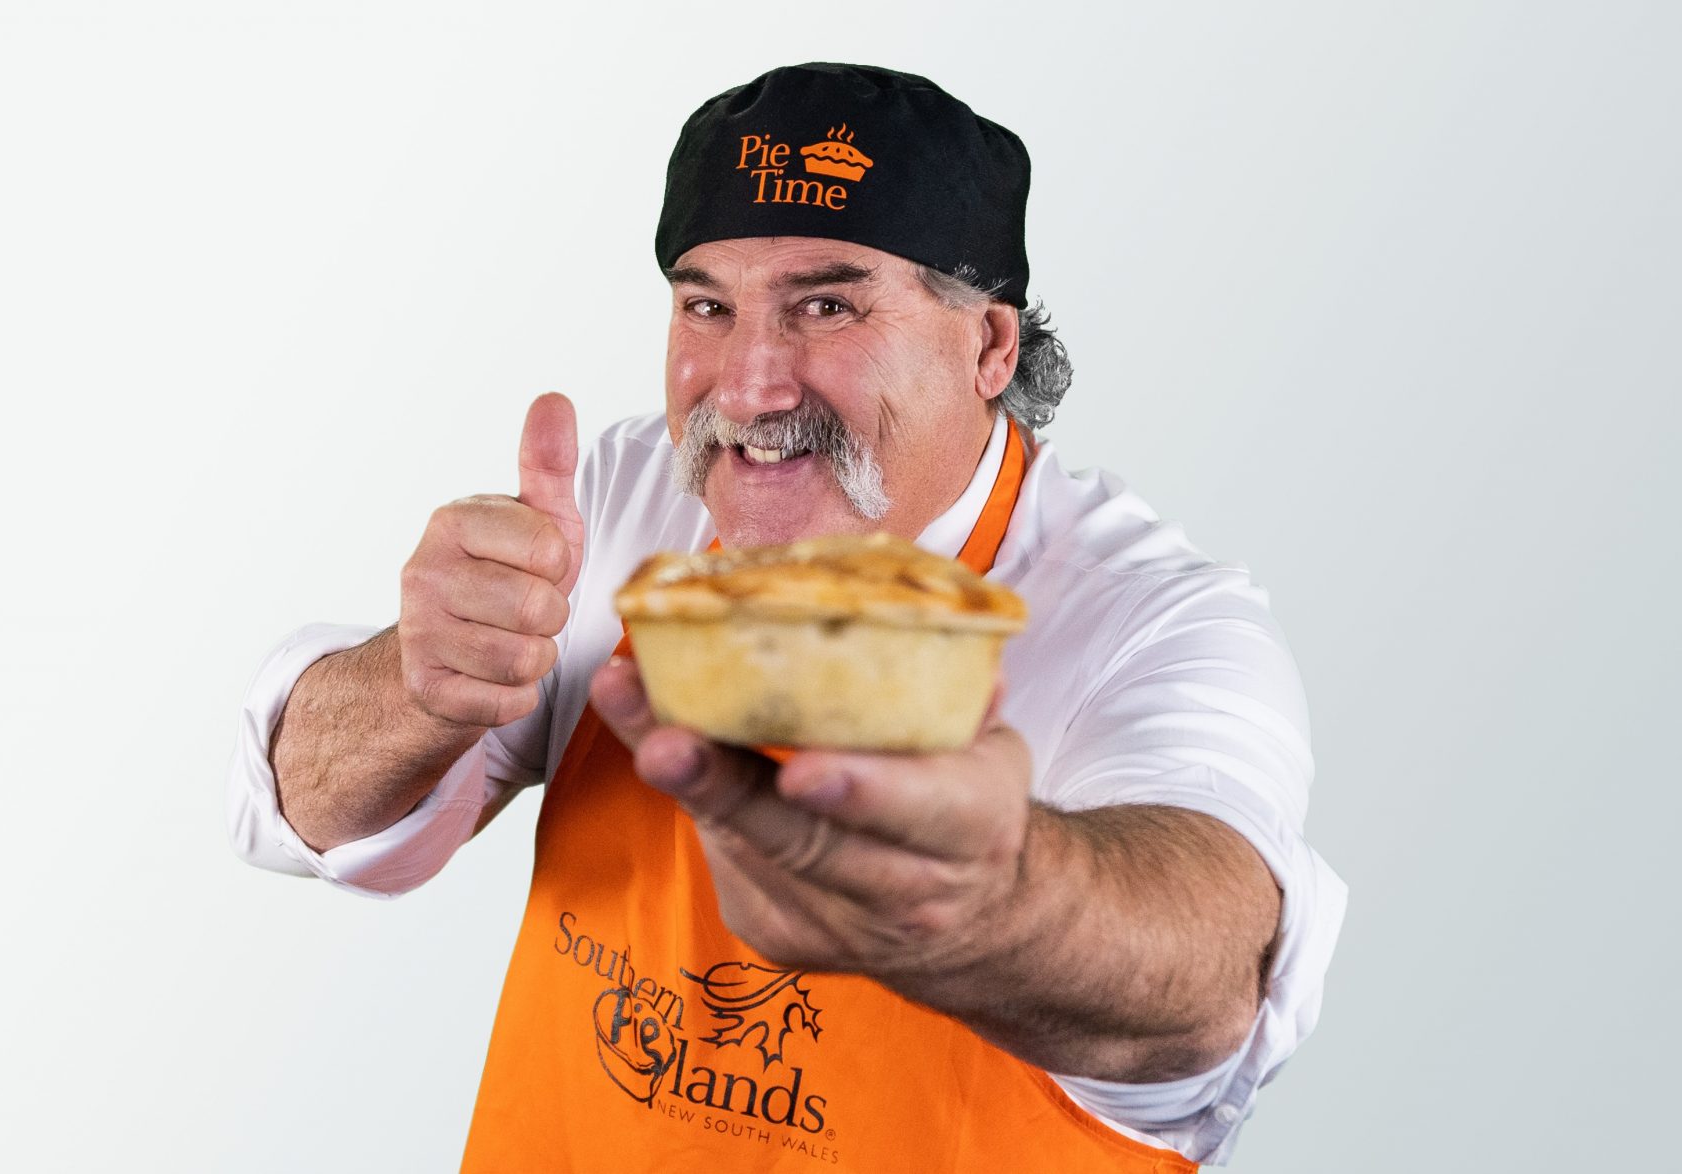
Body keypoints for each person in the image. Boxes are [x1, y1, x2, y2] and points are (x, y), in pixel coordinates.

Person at [228, 62, 1345, 1170]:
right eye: (707, 307)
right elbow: (305, 814)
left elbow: (1209, 977)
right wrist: (420, 684)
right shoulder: (621, 501)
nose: (748, 386)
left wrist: (983, 900)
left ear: (989, 346)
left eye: (827, 306)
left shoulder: (1160, 625)